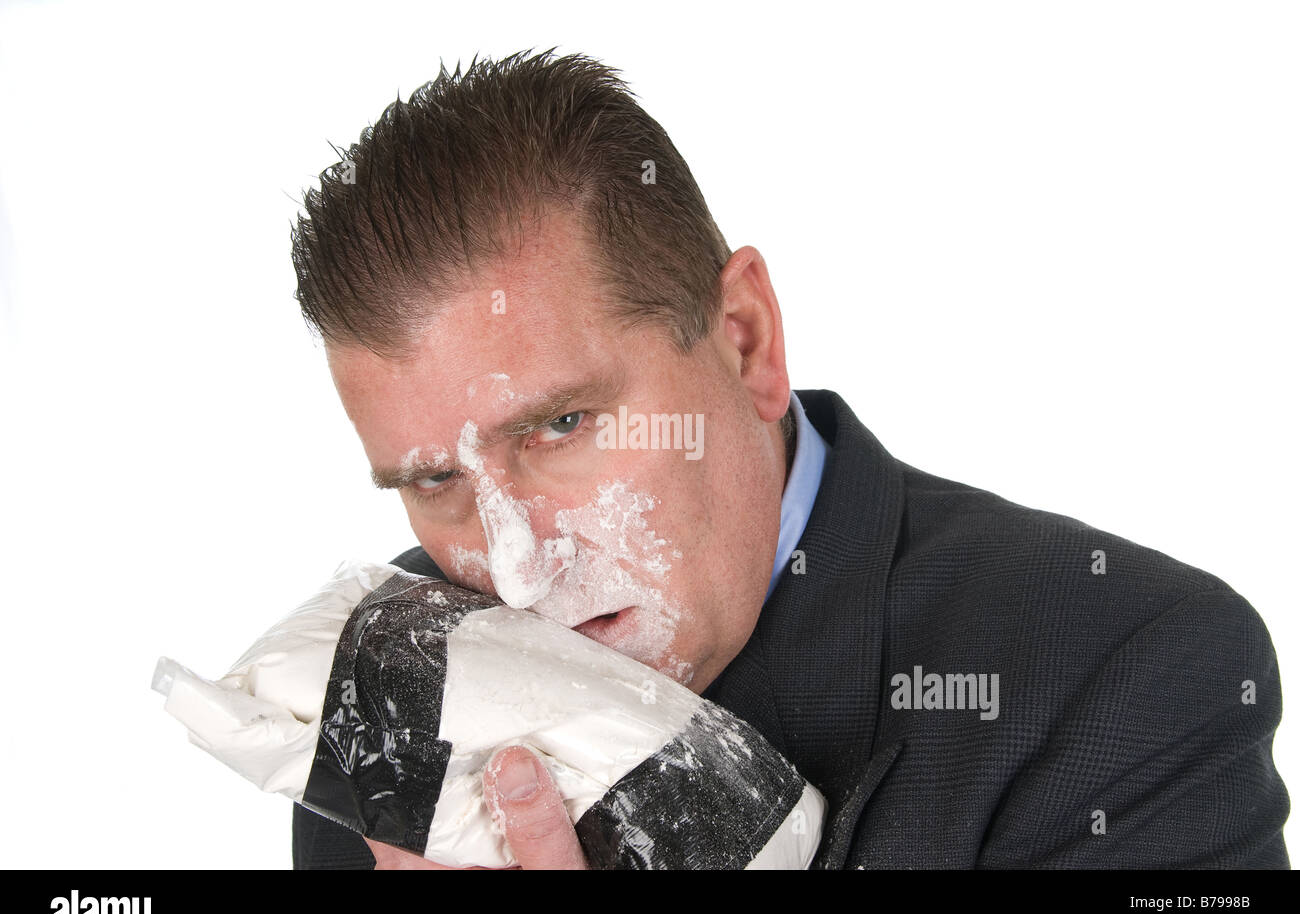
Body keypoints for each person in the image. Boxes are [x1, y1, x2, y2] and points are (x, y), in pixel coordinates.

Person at [288, 48, 1289, 869]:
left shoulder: (1128, 679)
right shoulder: (389, 689)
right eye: (435, 481)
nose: (512, 569)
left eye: (560, 427)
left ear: (744, 338)